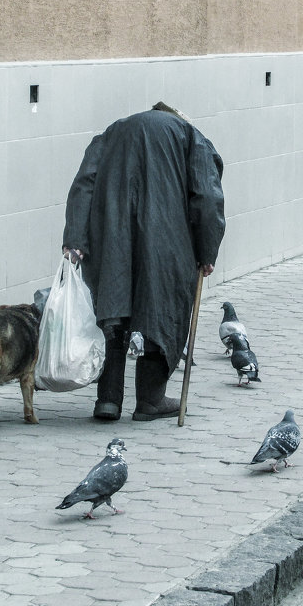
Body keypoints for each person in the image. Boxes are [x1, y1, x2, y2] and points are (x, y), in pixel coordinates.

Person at [62, 102, 225, 422]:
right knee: (161, 311)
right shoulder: (191, 137)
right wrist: (208, 250)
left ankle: (108, 400)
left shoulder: (112, 133)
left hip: (111, 234)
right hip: (166, 240)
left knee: (114, 309)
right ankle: (150, 400)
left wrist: (75, 241)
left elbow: (83, 184)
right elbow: (206, 196)